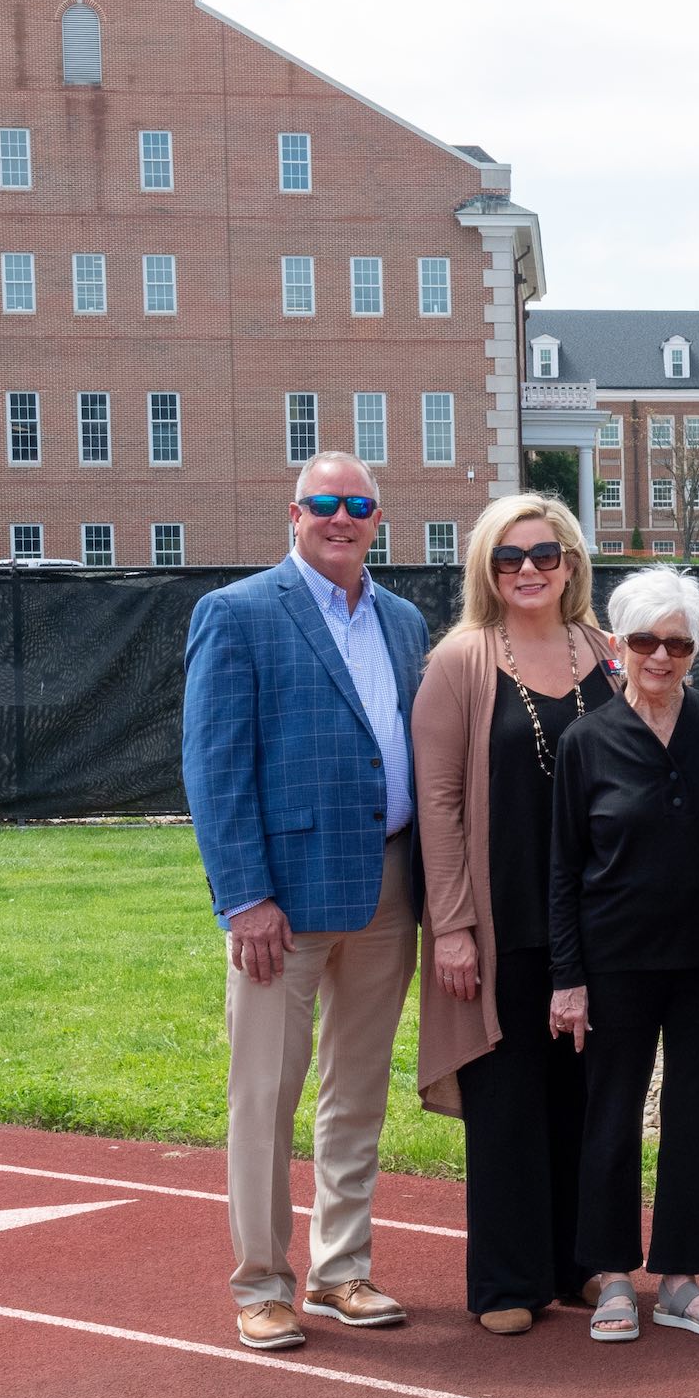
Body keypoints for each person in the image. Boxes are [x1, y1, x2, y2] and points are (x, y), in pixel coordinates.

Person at [181, 451, 427, 1351]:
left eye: (357, 504)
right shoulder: (239, 612)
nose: (341, 516)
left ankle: (341, 1270)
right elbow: (214, 768)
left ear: (375, 517)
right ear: (295, 513)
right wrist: (245, 896)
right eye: (324, 502)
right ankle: (261, 1282)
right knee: (264, 1094)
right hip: (279, 903)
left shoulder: (403, 620)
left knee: (356, 1092)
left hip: (389, 888)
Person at [412, 495, 615, 1335]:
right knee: (507, 1098)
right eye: (508, 557)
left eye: (544, 553)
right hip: (498, 921)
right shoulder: (460, 660)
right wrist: (452, 923)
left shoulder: (607, 652)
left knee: (585, 1094)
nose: (527, 569)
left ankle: (577, 1266)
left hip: (595, 924)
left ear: (570, 561)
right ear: (486, 570)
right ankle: (506, 1279)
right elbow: (439, 799)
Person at [549, 567, 699, 1343]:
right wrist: (568, 979)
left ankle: (680, 1278)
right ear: (617, 645)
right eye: (644, 640)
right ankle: (610, 1275)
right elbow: (562, 870)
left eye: (677, 642)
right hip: (614, 961)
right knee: (611, 1115)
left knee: (695, 1115)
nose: (660, 657)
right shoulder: (584, 741)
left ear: (695, 649)